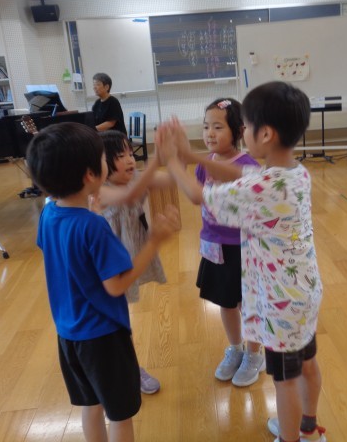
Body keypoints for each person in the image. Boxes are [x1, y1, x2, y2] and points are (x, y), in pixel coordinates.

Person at [156, 81, 326, 442]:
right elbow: (242, 173)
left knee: (285, 381)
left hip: (280, 305)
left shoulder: (259, 189)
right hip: (304, 293)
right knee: (307, 362)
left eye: (245, 126)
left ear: (265, 134)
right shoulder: (294, 174)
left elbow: (197, 195)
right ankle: (309, 427)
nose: (242, 131)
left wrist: (172, 159)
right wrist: (193, 156)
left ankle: (291, 438)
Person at [27, 122, 180, 442]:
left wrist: (92, 212)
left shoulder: (48, 214)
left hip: (69, 334)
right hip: (103, 337)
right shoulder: (93, 226)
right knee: (121, 415)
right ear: (89, 175)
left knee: (91, 405)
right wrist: (154, 240)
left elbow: (61, 253)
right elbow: (116, 285)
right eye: (102, 158)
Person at [177, 98, 264, 386]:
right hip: (214, 246)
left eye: (217, 127)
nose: (209, 133)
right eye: (206, 127)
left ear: (238, 131)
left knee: (247, 304)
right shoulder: (206, 164)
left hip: (243, 248)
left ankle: (255, 354)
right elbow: (198, 196)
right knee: (226, 304)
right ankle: (236, 349)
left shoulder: (247, 166)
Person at [94, 130, 174, 394]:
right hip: (108, 265)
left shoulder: (138, 177)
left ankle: (128, 366)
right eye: (120, 155)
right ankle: (129, 368)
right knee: (115, 318)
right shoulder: (101, 191)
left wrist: (177, 156)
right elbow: (129, 196)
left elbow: (169, 178)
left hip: (131, 257)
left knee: (120, 316)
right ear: (102, 164)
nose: (130, 159)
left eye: (130, 153)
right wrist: (156, 160)